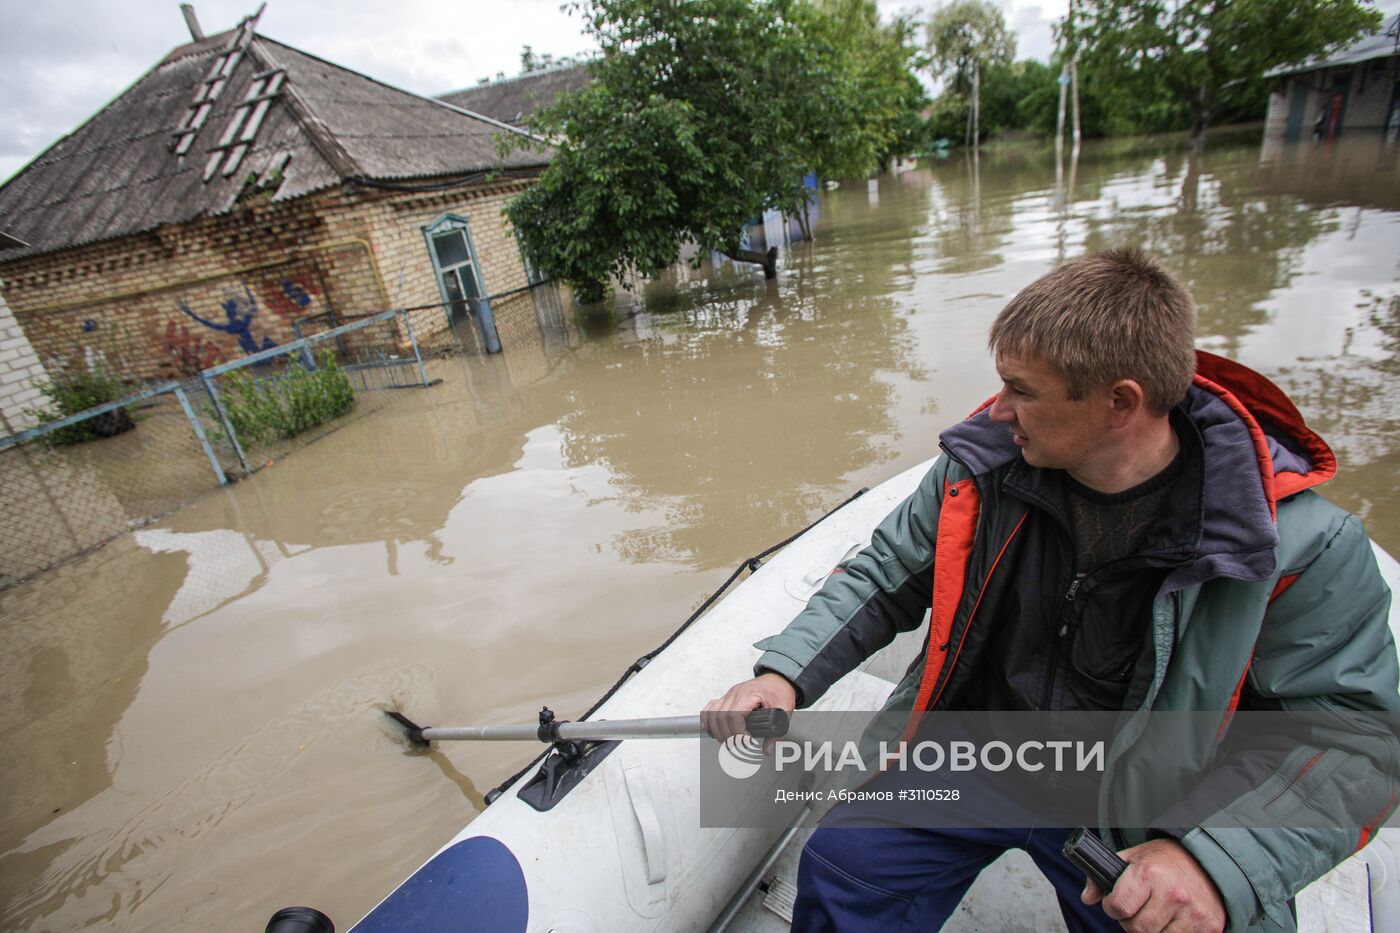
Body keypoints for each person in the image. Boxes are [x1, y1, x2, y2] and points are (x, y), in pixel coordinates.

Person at [703, 250, 1400, 932]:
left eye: (1023, 390)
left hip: (1144, 804)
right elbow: (885, 573)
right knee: (843, 861)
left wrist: (1210, 857)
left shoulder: (1304, 547)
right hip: (978, 753)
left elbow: (1357, 737)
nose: (999, 409)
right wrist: (785, 675)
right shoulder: (977, 468)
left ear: (1119, 402)